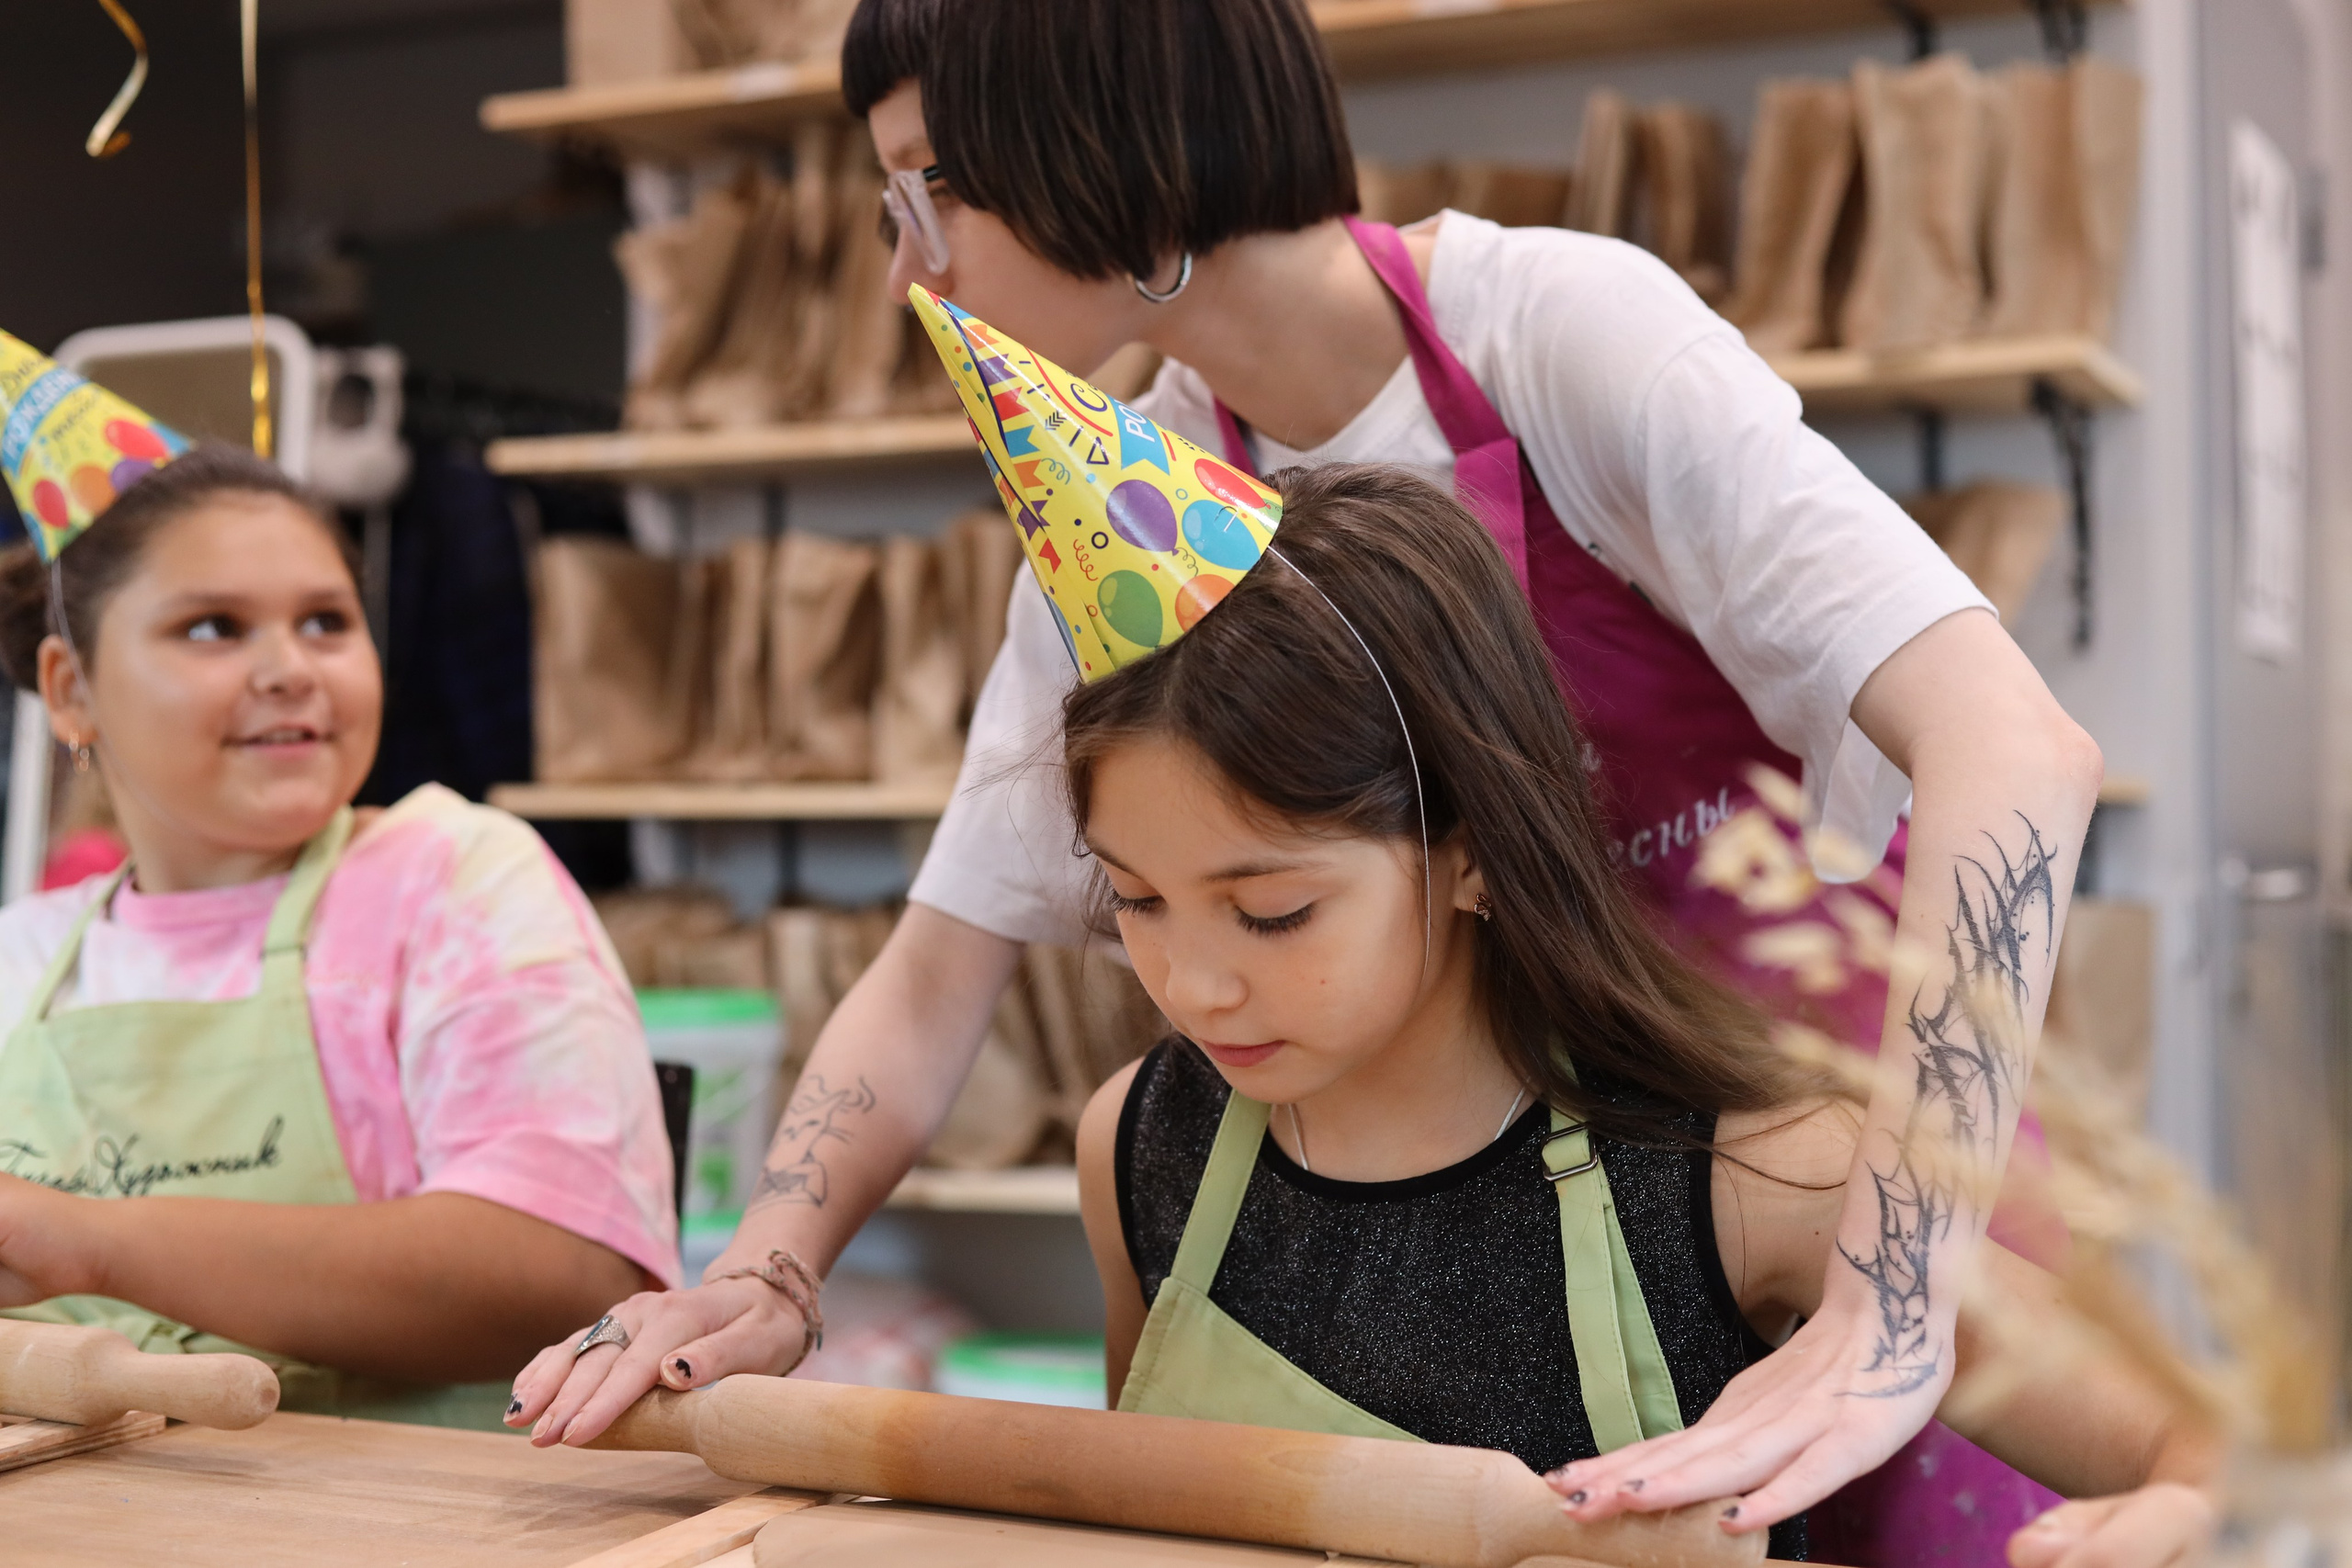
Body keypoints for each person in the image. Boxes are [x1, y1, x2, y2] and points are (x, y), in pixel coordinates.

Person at [518, 3, 2106, 1551]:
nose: (904, 266)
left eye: (926, 183)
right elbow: (943, 965)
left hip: (1828, 1170)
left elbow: (2015, 744)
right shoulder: (1139, 505)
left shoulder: (1558, 333)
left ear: (1093, 137)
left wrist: (1892, 1290)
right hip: (1526, 1203)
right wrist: (774, 1268)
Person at [1063, 463, 2212, 1568]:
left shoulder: (1755, 1175)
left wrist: (2188, 1513)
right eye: (1139, 899)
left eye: (1272, 912)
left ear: (1473, 856)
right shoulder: (1139, 1144)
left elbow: (2203, 1447)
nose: (1192, 986)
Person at [0, 349, 678, 1428]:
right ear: (70, 689)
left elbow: (570, 1272)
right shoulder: (20, 961)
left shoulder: (452, 882)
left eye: (326, 621)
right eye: (214, 627)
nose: (291, 668)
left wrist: (81, 1241)